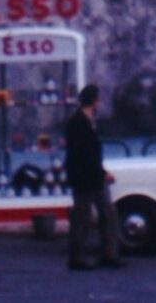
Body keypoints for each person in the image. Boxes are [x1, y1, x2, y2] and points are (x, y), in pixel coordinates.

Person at [63, 84, 124, 270]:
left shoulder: (85, 121)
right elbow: (84, 154)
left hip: (93, 175)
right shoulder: (79, 123)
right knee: (83, 217)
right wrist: (102, 172)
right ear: (94, 100)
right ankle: (77, 257)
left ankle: (109, 254)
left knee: (107, 214)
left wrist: (100, 171)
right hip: (85, 177)